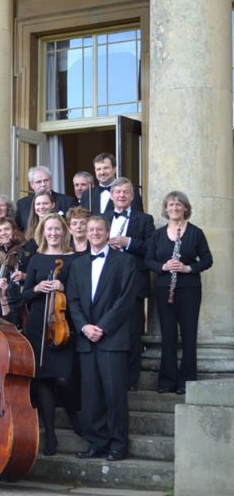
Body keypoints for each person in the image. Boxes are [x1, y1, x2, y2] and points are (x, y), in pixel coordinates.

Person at [67, 216, 137, 461]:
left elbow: (126, 300)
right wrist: (85, 327)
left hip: (113, 338)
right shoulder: (77, 265)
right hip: (86, 339)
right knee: (91, 395)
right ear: (85, 233)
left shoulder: (125, 261)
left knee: (115, 394)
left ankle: (118, 444)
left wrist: (102, 327)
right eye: (91, 229)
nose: (95, 233)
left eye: (99, 229)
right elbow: (72, 301)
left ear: (108, 232)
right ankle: (96, 442)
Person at [22, 214, 82, 455]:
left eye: (58, 229)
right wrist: (36, 287)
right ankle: (50, 435)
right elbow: (25, 295)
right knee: (43, 379)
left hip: (62, 325)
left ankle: (72, 414)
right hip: (38, 324)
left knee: (63, 378)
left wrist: (64, 287)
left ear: (64, 231)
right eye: (49, 229)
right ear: (43, 232)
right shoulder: (36, 259)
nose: (54, 233)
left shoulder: (74, 258)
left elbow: (83, 291)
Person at [145, 191, 213, 395]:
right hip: (165, 288)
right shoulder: (157, 235)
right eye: (170, 205)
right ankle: (167, 381)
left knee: (189, 335)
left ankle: (187, 382)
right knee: (168, 336)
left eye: (178, 204)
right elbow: (148, 260)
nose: (174, 208)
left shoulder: (195, 233)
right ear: (165, 209)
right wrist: (163, 267)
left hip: (189, 290)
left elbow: (208, 260)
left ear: (185, 208)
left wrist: (188, 269)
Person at [104, 177, 155, 391]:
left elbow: (152, 248)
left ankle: (130, 381)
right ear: (112, 196)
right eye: (118, 192)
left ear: (133, 197)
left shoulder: (144, 219)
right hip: (107, 283)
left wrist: (129, 242)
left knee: (133, 332)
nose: (122, 195)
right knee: (108, 329)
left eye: (126, 192)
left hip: (134, 282)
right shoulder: (102, 218)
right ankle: (108, 377)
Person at [15, 166, 76, 233]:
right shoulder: (22, 204)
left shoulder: (68, 201)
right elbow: (17, 230)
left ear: (51, 181)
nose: (43, 184)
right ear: (31, 184)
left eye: (46, 180)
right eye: (39, 182)